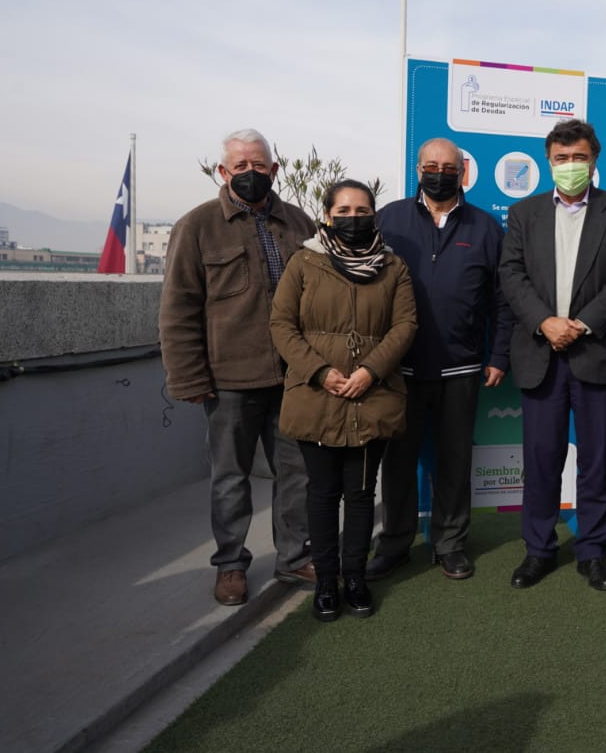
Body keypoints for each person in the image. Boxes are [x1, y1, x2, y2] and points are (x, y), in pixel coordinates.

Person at [160, 128, 316, 606]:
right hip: (229, 381)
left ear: (274, 168)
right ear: (224, 172)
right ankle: (230, 564)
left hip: (292, 377)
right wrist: (187, 378)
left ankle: (293, 557)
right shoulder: (197, 226)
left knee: (297, 473)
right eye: (240, 166)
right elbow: (178, 308)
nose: (251, 173)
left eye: (259, 164)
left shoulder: (298, 223)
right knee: (230, 477)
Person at [499, 118, 606, 591]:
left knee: (597, 460)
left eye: (579, 157)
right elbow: (512, 276)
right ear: (549, 162)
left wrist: (579, 324)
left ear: (594, 160)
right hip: (540, 353)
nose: (570, 166)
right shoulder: (523, 215)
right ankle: (538, 550)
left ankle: (592, 551)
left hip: (596, 351)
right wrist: (546, 323)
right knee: (541, 458)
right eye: (561, 159)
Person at [270, 180, 417, 621]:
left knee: (359, 494)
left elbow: (405, 326)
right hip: (316, 396)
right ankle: (327, 583)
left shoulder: (393, 267)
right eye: (344, 210)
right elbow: (282, 324)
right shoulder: (304, 262)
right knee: (321, 494)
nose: (354, 217)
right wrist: (321, 372)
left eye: (363, 210)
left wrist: (370, 371)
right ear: (328, 215)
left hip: (373, 397)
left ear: (374, 215)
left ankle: (354, 577)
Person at [367, 137, 513, 581]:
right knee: (397, 463)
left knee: (454, 463)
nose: (439, 173)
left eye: (448, 167)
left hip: (462, 368)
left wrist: (498, 355)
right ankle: (394, 543)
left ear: (462, 171)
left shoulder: (486, 228)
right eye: (431, 165)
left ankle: (450, 543)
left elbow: (502, 302)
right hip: (398, 369)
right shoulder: (388, 220)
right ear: (417, 170)